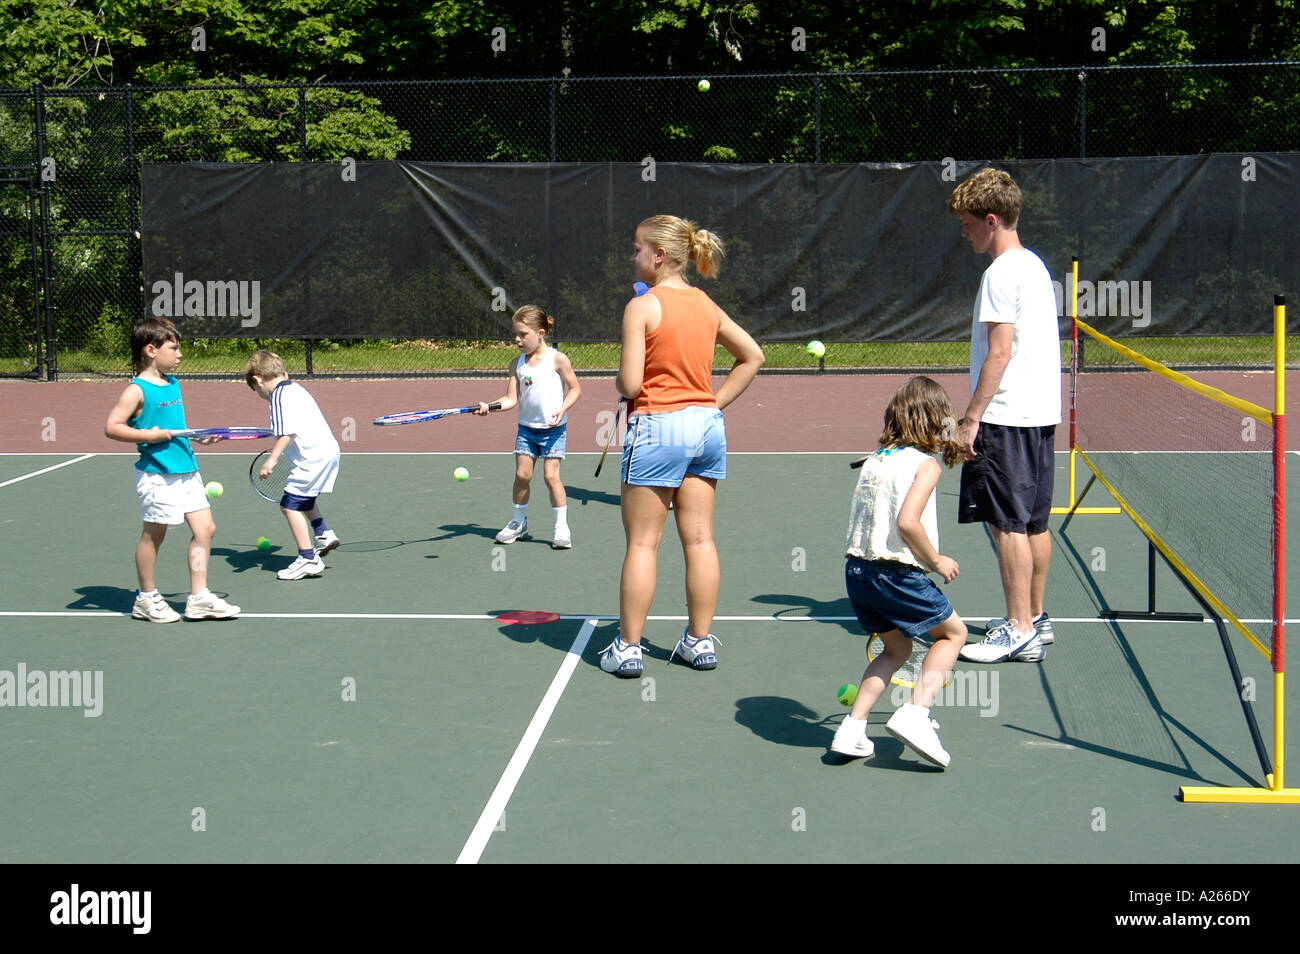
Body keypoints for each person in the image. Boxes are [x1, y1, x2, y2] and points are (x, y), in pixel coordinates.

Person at [599, 214, 764, 678]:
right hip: (706, 429)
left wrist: (619, 382)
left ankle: (628, 649)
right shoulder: (705, 303)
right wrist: (711, 404)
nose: (631, 256)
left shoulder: (642, 306)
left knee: (642, 544)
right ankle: (698, 641)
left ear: (659, 255)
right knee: (700, 539)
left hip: (658, 427)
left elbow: (631, 384)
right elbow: (753, 356)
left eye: (636, 249)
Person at [947, 167, 1061, 663]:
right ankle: (1035, 618)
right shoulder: (1034, 265)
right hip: (1038, 417)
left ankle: (1019, 630)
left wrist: (970, 419)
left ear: (991, 220)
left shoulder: (999, 273)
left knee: (1007, 525)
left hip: (1006, 416)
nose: (964, 232)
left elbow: (1000, 352)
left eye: (968, 223)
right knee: (1033, 523)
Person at [830, 377, 967, 768]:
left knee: (896, 649)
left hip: (857, 573)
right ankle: (916, 714)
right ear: (935, 421)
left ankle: (852, 729)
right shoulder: (926, 465)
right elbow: (908, 523)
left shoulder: (876, 458)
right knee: (954, 634)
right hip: (896, 574)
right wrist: (936, 561)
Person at [105, 317, 241, 622]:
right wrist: (149, 435)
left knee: (205, 529)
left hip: (187, 469)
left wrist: (198, 437)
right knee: (155, 535)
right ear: (151, 350)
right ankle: (146, 598)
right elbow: (112, 427)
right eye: (174, 348)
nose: (180, 354)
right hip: (157, 474)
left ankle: (199, 597)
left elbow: (176, 427)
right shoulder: (136, 390)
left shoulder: (173, 383)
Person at [475, 305, 582, 549]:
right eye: (515, 334)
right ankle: (518, 523)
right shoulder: (517, 364)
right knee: (522, 476)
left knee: (551, 476)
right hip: (526, 430)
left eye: (523, 334)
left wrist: (563, 409)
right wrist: (489, 407)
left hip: (553, 430)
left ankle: (561, 527)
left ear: (540, 333)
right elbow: (510, 399)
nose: (517, 339)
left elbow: (575, 389)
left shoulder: (558, 359)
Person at [246, 350, 343, 580]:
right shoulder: (295, 389)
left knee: (289, 505)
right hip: (328, 451)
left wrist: (272, 458)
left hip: (313, 457)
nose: (260, 395)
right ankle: (323, 533)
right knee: (303, 497)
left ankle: (308, 558)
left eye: (256, 391)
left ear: (258, 380)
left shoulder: (278, 396)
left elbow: (287, 432)